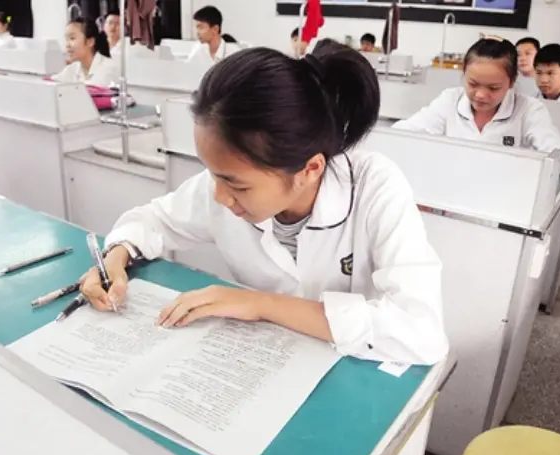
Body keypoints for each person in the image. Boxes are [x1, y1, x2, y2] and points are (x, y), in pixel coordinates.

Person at [80, 39, 449, 365]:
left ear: (310, 168)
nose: (220, 197)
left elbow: (422, 335)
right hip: (263, 365)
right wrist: (116, 255)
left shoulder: (374, 187)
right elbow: (154, 220)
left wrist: (262, 305)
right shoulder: (226, 184)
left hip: (354, 370)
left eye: (236, 186)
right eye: (212, 174)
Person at [393, 38, 560, 175]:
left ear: (511, 82)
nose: (480, 95)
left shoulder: (529, 110)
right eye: (472, 84)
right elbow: (400, 135)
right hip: (451, 194)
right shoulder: (450, 101)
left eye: (493, 88)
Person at [51, 18, 120, 87]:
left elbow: (92, 90)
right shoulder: (73, 68)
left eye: (72, 38)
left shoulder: (108, 69)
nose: (67, 45)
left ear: (90, 42)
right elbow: (51, 83)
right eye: (66, 39)